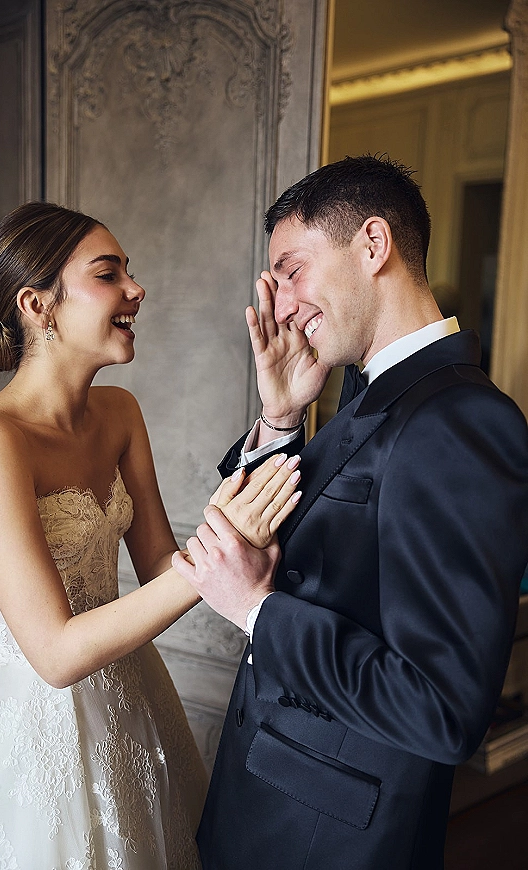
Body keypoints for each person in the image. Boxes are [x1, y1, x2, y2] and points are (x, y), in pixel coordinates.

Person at [173, 155, 528, 869]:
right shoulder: (369, 399)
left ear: (374, 245)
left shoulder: (461, 420)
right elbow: (301, 542)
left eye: (292, 270)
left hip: (330, 838)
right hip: (267, 800)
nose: (279, 307)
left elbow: (443, 707)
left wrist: (258, 611)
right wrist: (279, 421)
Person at [0, 201, 302, 869]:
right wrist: (213, 560)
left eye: (128, 273)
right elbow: (52, 656)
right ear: (37, 304)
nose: (136, 290)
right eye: (108, 273)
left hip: (134, 696)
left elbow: (162, 562)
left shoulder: (118, 412)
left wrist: (279, 415)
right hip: (33, 727)